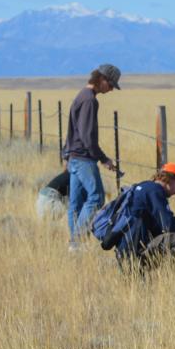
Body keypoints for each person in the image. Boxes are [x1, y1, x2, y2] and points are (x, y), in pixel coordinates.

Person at [62, 63, 121, 249]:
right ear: (102, 80)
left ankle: (75, 247)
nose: (110, 90)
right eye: (110, 85)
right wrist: (103, 159)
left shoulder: (82, 95)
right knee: (96, 198)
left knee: (76, 203)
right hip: (83, 158)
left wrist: (66, 155)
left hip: (74, 157)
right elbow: (87, 136)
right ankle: (77, 242)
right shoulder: (89, 100)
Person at [112, 163, 175, 270]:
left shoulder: (144, 186)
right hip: (135, 253)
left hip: (123, 252)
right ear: (171, 179)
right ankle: (168, 275)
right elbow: (168, 225)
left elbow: (158, 226)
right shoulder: (155, 191)